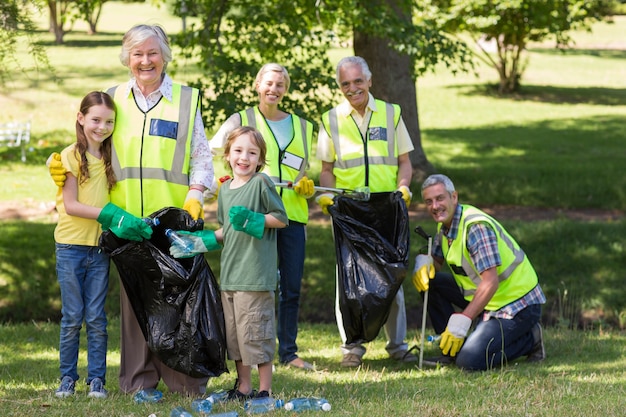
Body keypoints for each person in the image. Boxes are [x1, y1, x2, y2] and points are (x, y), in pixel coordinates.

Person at [49, 24, 215, 395]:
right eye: (137, 54)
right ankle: (138, 382)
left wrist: (196, 194)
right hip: (125, 222)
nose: (145, 61)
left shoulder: (186, 99)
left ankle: (184, 381)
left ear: (165, 56)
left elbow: (203, 157)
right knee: (134, 305)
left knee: (178, 303)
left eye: (152, 53)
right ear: (127, 58)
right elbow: (88, 142)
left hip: (171, 221)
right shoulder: (112, 98)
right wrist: (58, 160)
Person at [209, 63, 315, 370]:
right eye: (269, 83)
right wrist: (223, 181)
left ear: (286, 89)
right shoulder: (240, 120)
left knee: (291, 286)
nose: (274, 89)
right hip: (250, 219)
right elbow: (215, 152)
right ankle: (248, 350)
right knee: (255, 286)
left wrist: (307, 187)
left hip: (290, 215)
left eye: (280, 84)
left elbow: (311, 170)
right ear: (258, 85)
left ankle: (289, 351)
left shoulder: (304, 127)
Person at [316, 56, 417, 367]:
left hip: (387, 207)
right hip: (349, 210)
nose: (352, 88)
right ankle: (353, 348)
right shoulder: (330, 119)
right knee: (348, 279)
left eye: (358, 81)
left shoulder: (391, 113)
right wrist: (328, 199)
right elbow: (326, 169)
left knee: (392, 274)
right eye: (345, 83)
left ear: (370, 81)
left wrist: (403, 189)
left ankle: (397, 346)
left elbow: (404, 162)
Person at [54, 91, 153, 399]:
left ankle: (97, 380)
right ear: (81, 118)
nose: (102, 127)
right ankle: (67, 378)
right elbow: (71, 205)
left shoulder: (112, 156)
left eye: (109, 121)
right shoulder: (70, 156)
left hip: (99, 249)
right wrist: (110, 215)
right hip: (70, 247)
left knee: (96, 317)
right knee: (72, 317)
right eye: (95, 119)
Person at [177, 126, 288, 398]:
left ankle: (264, 390)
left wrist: (255, 220)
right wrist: (199, 243)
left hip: (255, 275)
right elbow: (228, 230)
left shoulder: (261, 183)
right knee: (236, 337)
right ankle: (244, 387)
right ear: (227, 155)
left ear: (260, 159)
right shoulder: (225, 189)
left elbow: (281, 218)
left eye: (252, 152)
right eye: (238, 151)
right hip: (230, 276)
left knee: (256, 335)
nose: (244, 157)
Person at [414, 174, 546, 370]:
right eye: (429, 201)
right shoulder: (446, 225)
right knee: (431, 283)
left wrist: (463, 320)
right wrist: (424, 263)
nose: (435, 206)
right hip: (489, 299)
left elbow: (490, 282)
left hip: (515, 305)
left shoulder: (475, 228)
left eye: (440, 198)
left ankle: (532, 338)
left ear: (454, 197)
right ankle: (450, 348)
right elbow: (437, 261)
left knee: (470, 361)